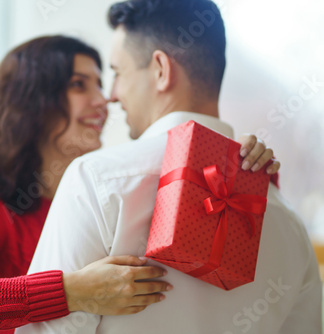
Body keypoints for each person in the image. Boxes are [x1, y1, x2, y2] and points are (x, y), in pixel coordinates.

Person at [0, 36, 280, 333]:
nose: (103, 100)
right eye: (78, 85)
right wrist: (71, 292)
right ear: (31, 103)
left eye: (102, 84)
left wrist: (249, 167)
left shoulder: (101, 193)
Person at [17, 1, 322, 334]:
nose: (113, 96)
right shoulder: (288, 221)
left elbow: (47, 331)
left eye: (118, 73)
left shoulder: (96, 179)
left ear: (161, 69)